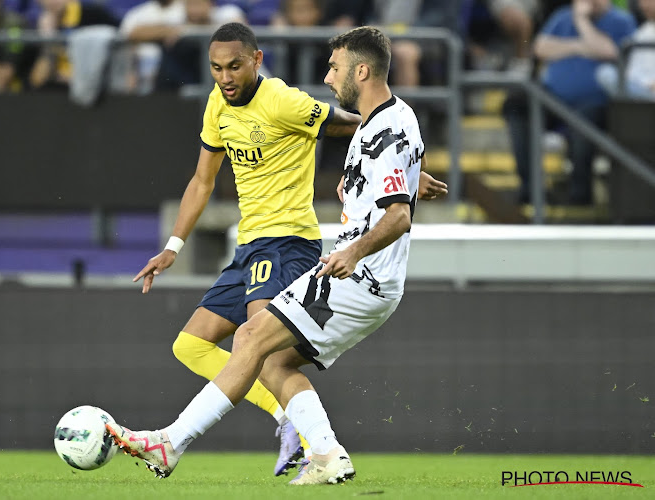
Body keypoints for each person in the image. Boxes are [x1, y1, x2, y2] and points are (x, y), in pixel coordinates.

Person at [109, 25, 428, 485]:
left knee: (254, 340)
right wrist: (381, 181)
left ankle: (171, 443)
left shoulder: (370, 121)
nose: (327, 75)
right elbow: (383, 171)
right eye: (216, 68)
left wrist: (354, 249)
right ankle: (326, 453)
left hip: (346, 269)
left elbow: (398, 216)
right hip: (336, 267)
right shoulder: (383, 125)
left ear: (361, 70)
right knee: (265, 357)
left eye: (335, 67)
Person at [502, 0, 636, 205]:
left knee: (585, 119)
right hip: (554, 98)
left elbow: (610, 51)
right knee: (516, 106)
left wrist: (582, 21)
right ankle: (530, 190)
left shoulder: (621, 20)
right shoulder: (563, 16)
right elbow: (540, 47)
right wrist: (580, 46)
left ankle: (579, 195)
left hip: (596, 101)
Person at [596, 0, 655, 101]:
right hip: (644, 94)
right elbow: (631, 74)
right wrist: (647, 85)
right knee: (605, 73)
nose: (643, 5)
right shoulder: (644, 31)